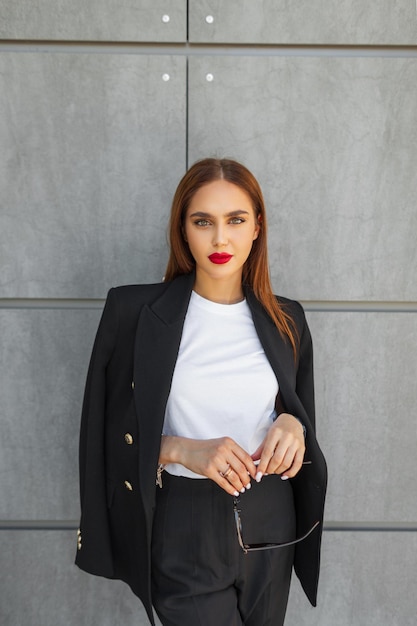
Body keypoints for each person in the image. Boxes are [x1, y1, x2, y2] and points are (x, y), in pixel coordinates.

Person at [75, 158, 327, 626]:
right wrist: (178, 449)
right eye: (203, 222)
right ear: (183, 230)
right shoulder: (132, 312)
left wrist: (292, 423)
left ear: (257, 228)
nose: (220, 239)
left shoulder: (287, 319)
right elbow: (101, 438)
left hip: (272, 516)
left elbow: (297, 416)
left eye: (235, 220)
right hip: (183, 525)